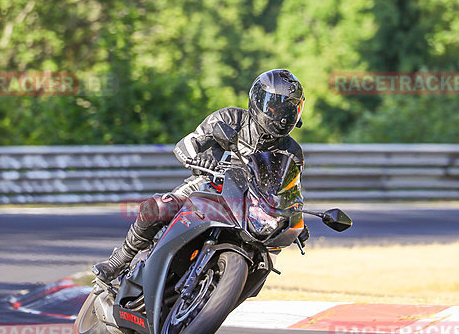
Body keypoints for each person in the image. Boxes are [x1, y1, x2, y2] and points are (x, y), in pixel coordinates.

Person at [93, 69, 309, 282]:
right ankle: (120, 259)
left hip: (250, 207)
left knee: (264, 259)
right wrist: (197, 159)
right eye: (276, 108)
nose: (282, 117)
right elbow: (187, 143)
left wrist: (295, 221)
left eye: (289, 111)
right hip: (209, 184)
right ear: (259, 101)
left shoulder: (292, 152)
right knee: (159, 206)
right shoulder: (231, 118)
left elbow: (290, 191)